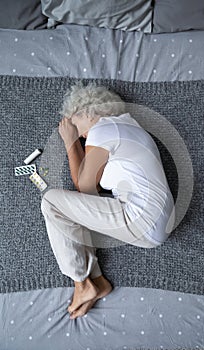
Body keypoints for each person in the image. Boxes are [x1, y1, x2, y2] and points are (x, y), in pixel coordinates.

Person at [41, 83, 175, 320]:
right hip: (149, 221)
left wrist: (70, 140)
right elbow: (89, 194)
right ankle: (99, 282)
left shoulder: (105, 128)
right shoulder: (127, 127)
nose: (81, 135)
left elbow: (85, 184)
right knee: (74, 208)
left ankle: (81, 283)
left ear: (88, 112)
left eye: (75, 123)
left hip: (143, 220)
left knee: (51, 202)